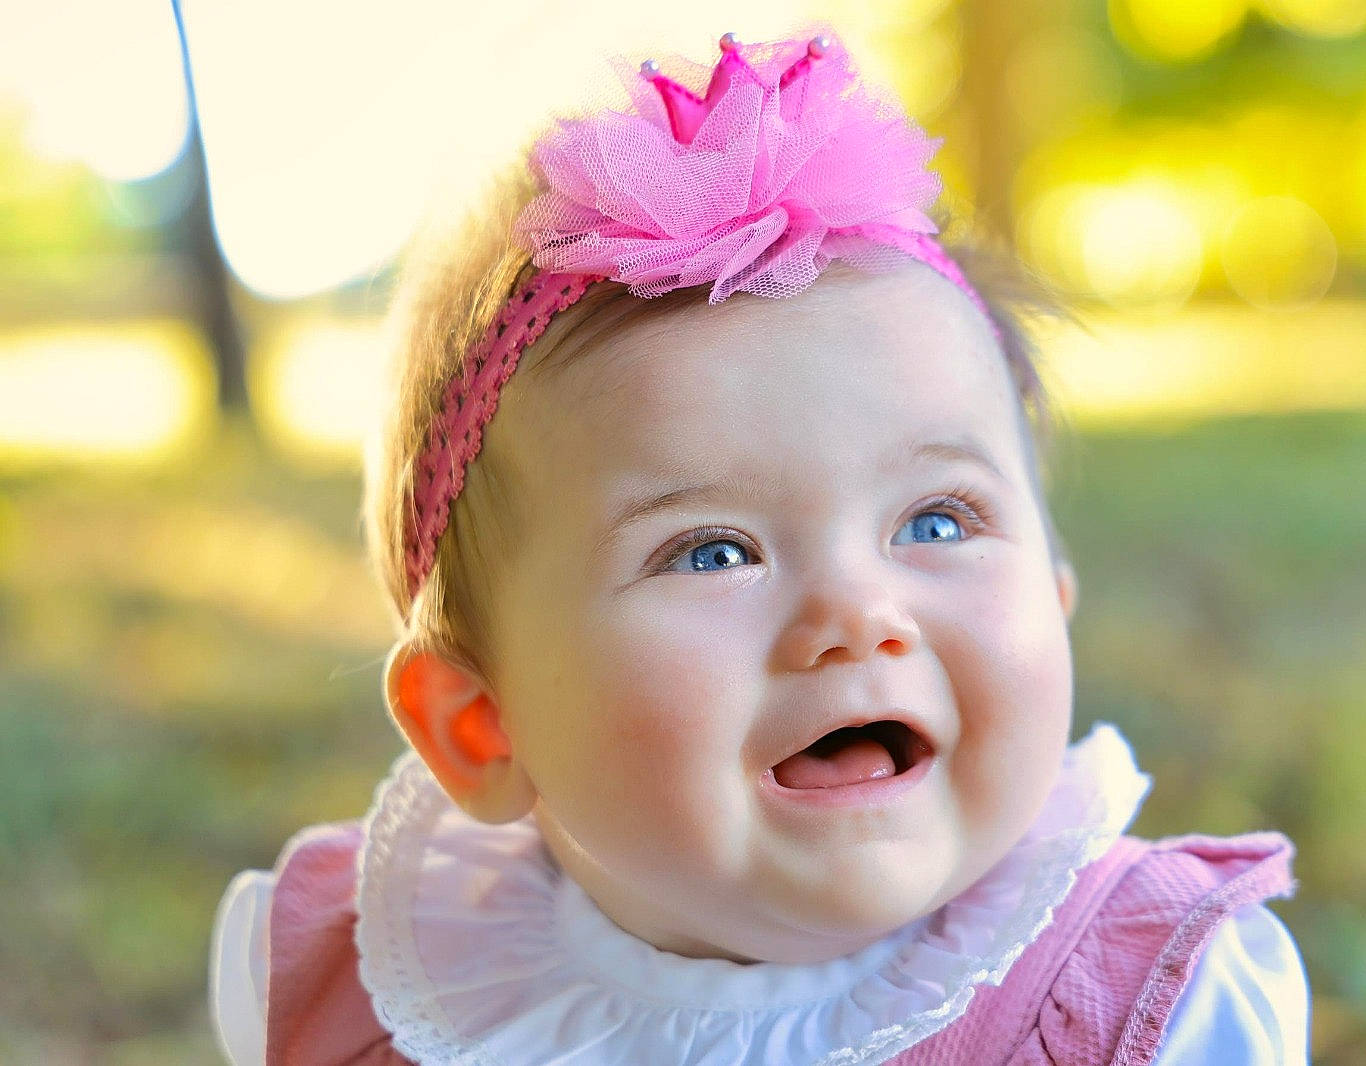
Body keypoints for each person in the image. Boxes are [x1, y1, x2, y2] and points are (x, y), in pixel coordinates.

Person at [209, 30, 1309, 1066]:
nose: (856, 615)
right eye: (712, 552)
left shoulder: (1156, 1004)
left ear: (1055, 599)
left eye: (937, 521)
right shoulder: (363, 992)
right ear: (482, 728)